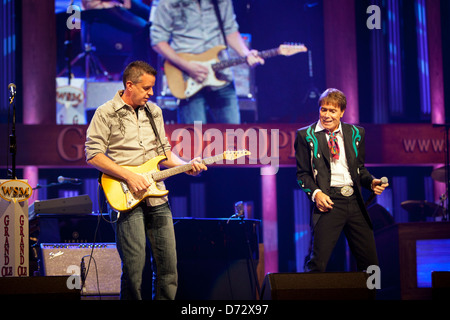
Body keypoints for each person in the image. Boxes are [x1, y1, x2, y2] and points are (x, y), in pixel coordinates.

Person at [85, 60, 207, 299]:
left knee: (168, 268)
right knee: (133, 270)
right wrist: (129, 176)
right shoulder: (105, 112)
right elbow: (93, 155)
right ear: (129, 85)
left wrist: (186, 165)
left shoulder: (155, 112)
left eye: (152, 87)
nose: (151, 93)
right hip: (124, 196)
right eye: (146, 88)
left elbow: (163, 154)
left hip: (157, 196)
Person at [294, 88, 389, 272]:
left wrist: (371, 182)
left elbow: (359, 170)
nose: (327, 115)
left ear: (342, 112)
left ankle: (371, 296)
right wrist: (316, 193)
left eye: (332, 110)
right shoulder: (306, 135)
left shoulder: (356, 133)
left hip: (355, 203)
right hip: (329, 202)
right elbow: (302, 174)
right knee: (317, 264)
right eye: (323, 109)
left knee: (371, 266)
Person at [150, 0, 264, 124]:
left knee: (232, 137)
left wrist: (246, 54)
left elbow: (230, 31)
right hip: (188, 79)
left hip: (221, 75)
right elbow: (158, 41)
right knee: (194, 139)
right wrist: (187, 67)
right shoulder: (168, 2)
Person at [81, 0, 153, 65]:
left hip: (115, 1)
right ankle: (137, 67)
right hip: (99, 5)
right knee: (143, 28)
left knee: (152, 16)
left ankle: (153, 64)